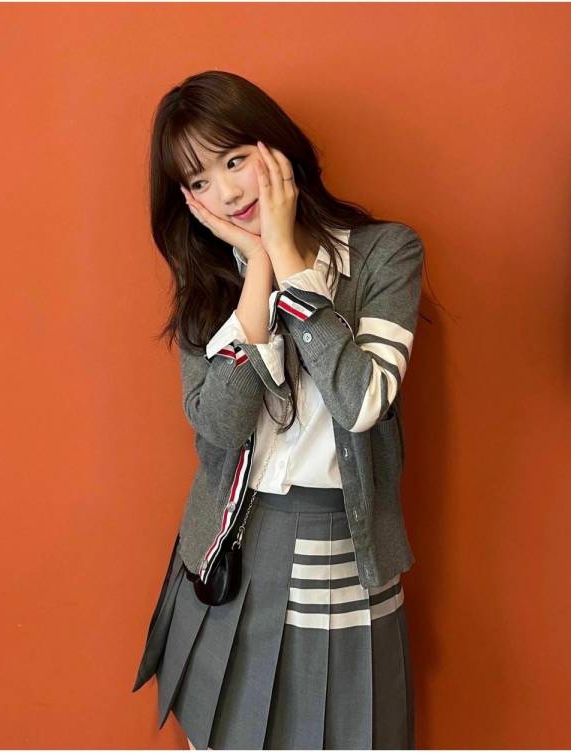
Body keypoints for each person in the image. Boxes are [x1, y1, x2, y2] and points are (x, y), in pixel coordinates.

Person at [131, 69, 425, 750]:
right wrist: (254, 275)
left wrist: (289, 262)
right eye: (200, 179)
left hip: (340, 546)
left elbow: (362, 401)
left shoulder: (384, 253)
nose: (227, 192)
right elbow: (220, 429)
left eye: (234, 160)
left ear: (276, 147)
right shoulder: (208, 281)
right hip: (231, 545)